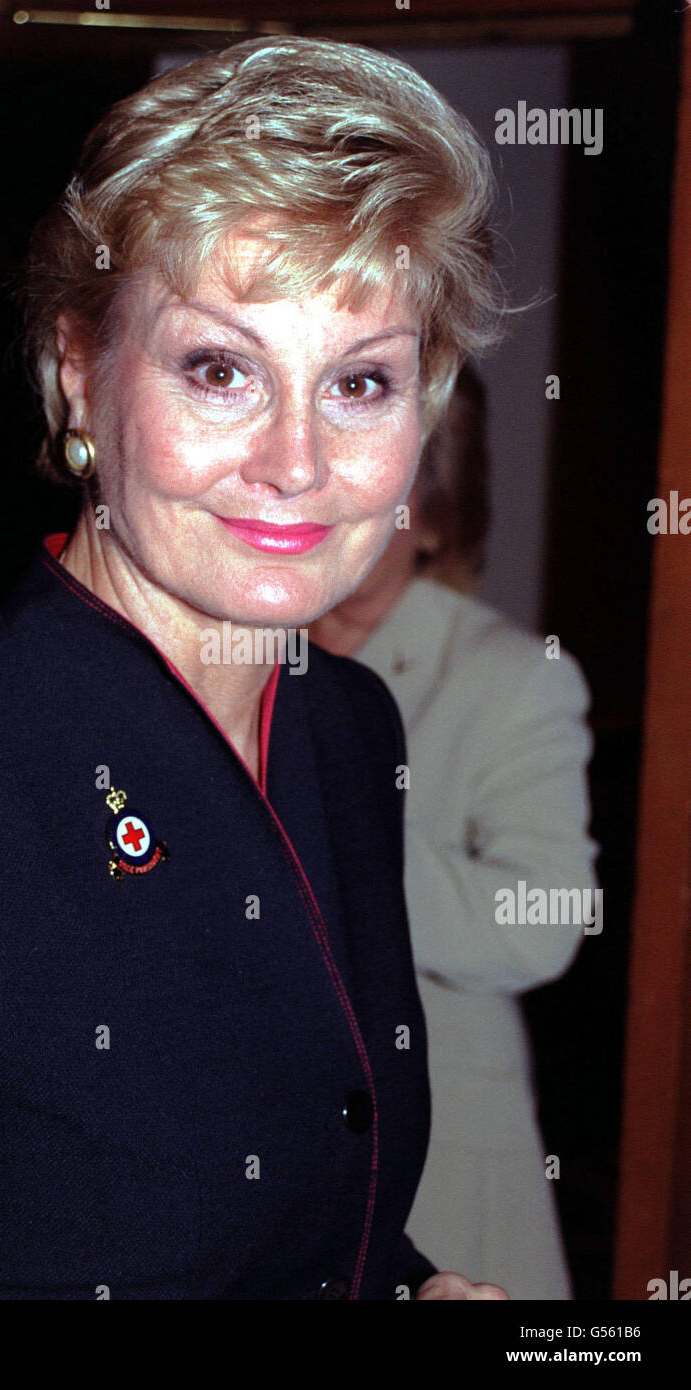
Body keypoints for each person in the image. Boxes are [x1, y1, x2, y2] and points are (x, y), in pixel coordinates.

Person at [0, 37, 510, 1300]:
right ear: (78, 376)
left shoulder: (347, 726)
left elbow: (293, 1203)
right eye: (219, 368)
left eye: (360, 381)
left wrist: (407, 1287)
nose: (295, 461)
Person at [312, 366, 598, 1299]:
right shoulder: (242, 648)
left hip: (442, 1171)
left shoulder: (511, 679)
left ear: (434, 515)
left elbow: (548, 918)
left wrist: (331, 850)